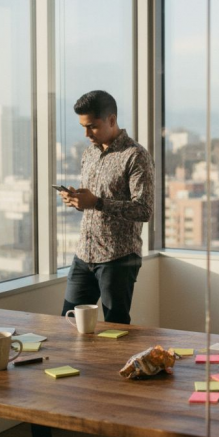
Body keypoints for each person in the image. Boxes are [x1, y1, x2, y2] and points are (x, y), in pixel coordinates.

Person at [59, 90, 154, 325]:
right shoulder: (89, 153)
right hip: (84, 255)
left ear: (111, 120)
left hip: (118, 259)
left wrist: (97, 202)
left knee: (116, 330)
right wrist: (78, 201)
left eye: (91, 126)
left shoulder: (135, 156)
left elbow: (143, 210)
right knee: (67, 325)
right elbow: (92, 203)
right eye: (83, 126)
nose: (86, 134)